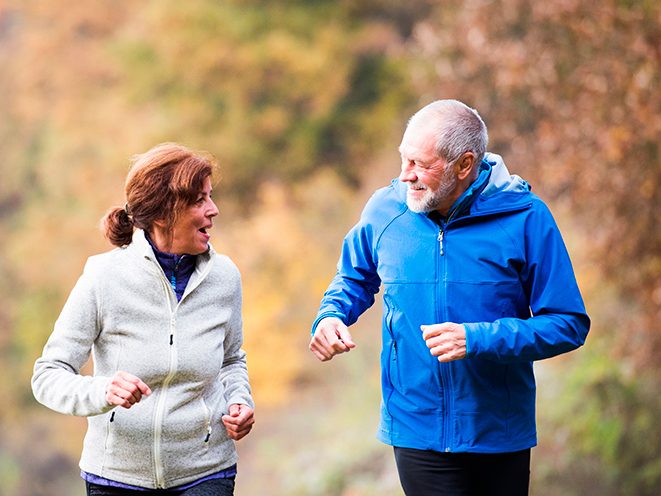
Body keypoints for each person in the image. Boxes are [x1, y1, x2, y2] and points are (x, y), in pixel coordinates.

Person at [309, 100, 590, 495]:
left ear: (464, 165)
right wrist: (331, 315)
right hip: (415, 426)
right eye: (403, 160)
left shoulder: (527, 218)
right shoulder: (384, 210)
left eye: (419, 164)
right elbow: (353, 277)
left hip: (498, 431)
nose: (405, 177)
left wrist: (477, 339)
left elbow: (567, 323)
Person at [32, 143, 254, 496]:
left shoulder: (224, 277)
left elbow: (230, 361)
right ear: (163, 212)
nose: (214, 210)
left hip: (206, 471)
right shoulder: (103, 276)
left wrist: (239, 401)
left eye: (210, 197)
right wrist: (103, 390)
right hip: (116, 477)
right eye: (199, 200)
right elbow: (48, 375)